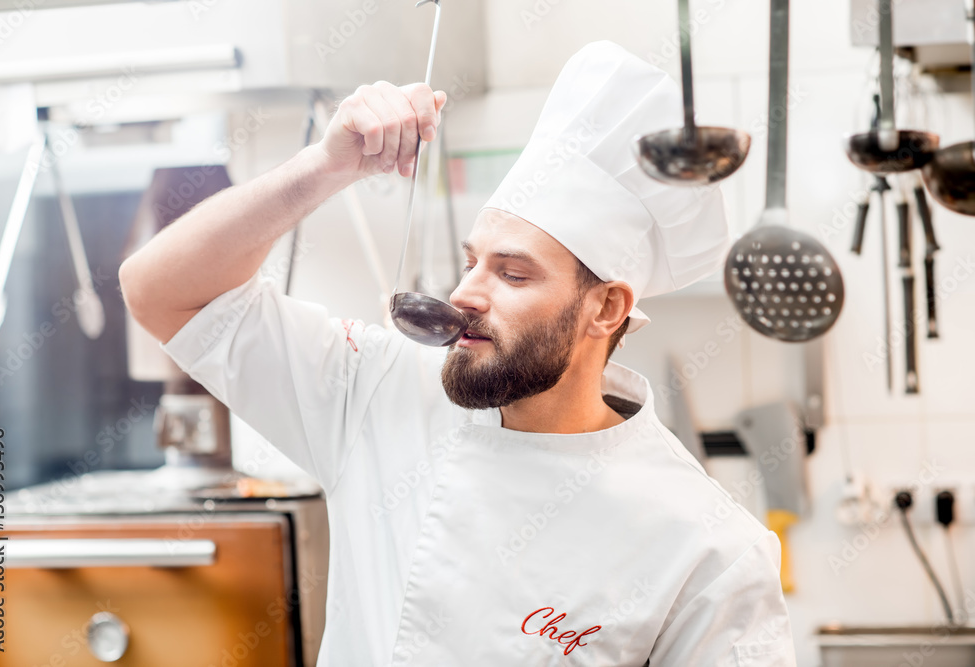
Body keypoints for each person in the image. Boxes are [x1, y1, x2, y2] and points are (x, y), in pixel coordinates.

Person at [121, 41, 796, 666]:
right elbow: (159, 291)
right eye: (472, 261)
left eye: (512, 273)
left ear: (607, 307)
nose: (465, 292)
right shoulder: (380, 389)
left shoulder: (707, 547)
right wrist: (328, 167)